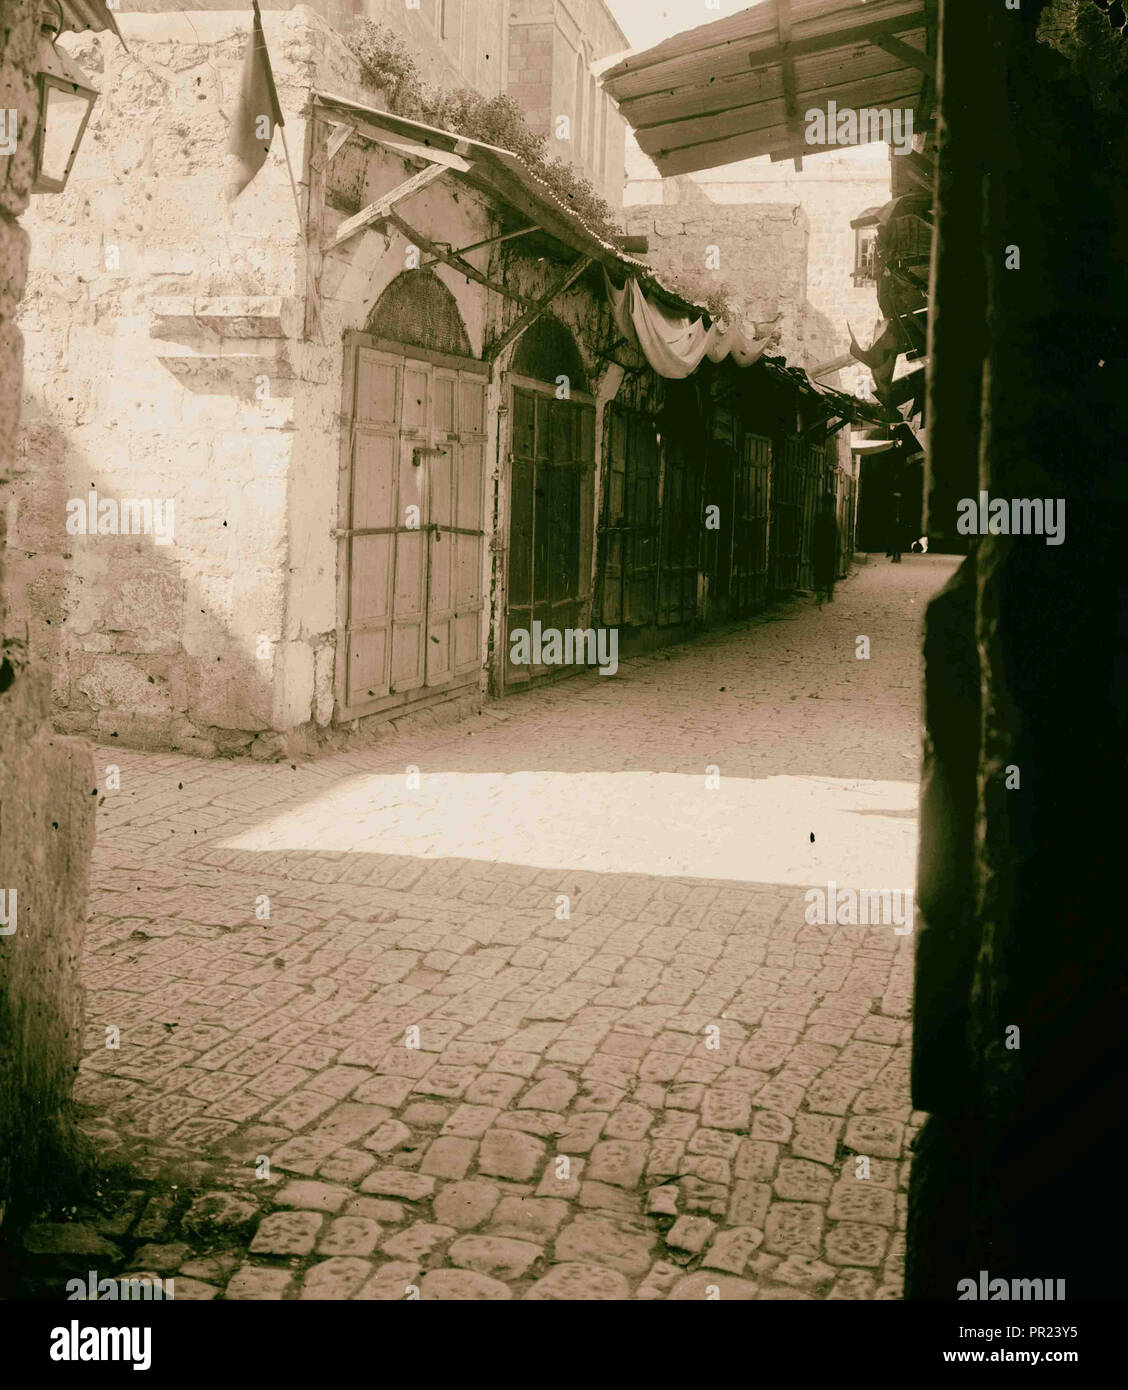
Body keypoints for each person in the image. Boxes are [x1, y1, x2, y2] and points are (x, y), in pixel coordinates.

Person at [813, 493, 839, 605]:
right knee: (821, 571)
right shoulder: (824, 518)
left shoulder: (832, 518)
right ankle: (822, 595)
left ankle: (828, 594)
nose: (828, 507)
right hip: (822, 548)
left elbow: (836, 535)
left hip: (828, 549)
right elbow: (815, 534)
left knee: (827, 572)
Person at [890, 490, 904, 563]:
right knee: (896, 542)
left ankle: (897, 557)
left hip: (898, 526)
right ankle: (895, 556)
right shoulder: (894, 507)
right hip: (895, 526)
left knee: (897, 542)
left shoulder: (899, 507)